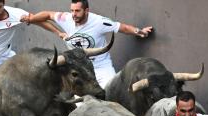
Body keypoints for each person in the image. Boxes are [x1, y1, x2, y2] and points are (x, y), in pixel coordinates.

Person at [20, 0, 153, 88]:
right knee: (78, 105)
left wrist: (139, 31)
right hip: (77, 68)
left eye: (77, 11)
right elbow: (48, 15)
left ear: (86, 10)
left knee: (110, 91)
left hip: (100, 66)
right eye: (72, 10)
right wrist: (32, 19)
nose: (73, 14)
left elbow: (121, 27)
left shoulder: (99, 22)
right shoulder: (65, 18)